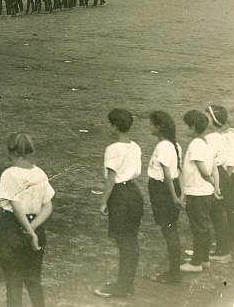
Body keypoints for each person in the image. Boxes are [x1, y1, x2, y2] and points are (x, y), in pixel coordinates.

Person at [0, 132, 54, 307]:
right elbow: (48, 206)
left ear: (12, 152)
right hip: (36, 227)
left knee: (13, 282)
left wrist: (27, 230)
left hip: (13, 229)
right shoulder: (40, 173)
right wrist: (32, 229)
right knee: (33, 279)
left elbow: (17, 209)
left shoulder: (9, 174)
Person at [94, 108, 144, 298]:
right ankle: (126, 283)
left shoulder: (113, 149)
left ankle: (123, 287)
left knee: (125, 242)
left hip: (120, 195)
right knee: (130, 240)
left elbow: (111, 178)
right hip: (133, 193)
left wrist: (103, 202)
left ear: (115, 126)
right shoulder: (136, 146)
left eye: (111, 124)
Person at [180, 109, 220, 273]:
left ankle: (196, 263)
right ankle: (204, 259)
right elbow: (215, 168)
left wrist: (209, 180)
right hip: (206, 192)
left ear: (192, 128)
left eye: (186, 126)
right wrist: (215, 186)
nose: (185, 129)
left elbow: (204, 171)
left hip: (197, 192)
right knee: (204, 226)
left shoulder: (195, 144)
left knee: (198, 227)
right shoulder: (206, 143)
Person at [147, 111, 184, 285]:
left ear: (159, 127)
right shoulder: (175, 145)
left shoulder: (163, 146)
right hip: (171, 188)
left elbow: (168, 176)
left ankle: (174, 274)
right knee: (171, 229)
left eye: (152, 124)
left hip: (163, 189)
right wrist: (180, 193)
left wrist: (174, 196)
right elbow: (179, 172)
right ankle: (174, 271)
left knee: (169, 230)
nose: (150, 127)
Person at [205, 104, 234, 264]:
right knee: (217, 214)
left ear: (213, 120)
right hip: (221, 175)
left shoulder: (211, 138)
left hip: (216, 175)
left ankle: (223, 252)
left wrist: (215, 182)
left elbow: (212, 163)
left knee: (216, 214)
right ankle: (222, 250)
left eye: (207, 116)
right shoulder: (219, 136)